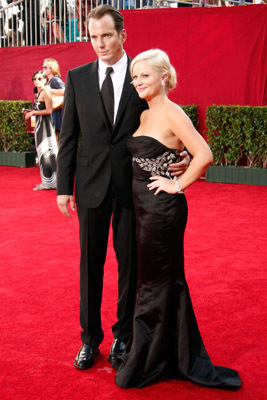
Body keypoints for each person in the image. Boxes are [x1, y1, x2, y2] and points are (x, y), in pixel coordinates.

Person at [56, 5, 190, 371]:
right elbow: (69, 138)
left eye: (107, 36)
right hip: (89, 187)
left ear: (122, 35)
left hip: (134, 188)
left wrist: (181, 157)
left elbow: (165, 121)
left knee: (130, 266)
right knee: (90, 265)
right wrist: (62, 188)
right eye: (93, 36)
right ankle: (89, 339)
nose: (99, 44)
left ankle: (123, 336)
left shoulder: (140, 76)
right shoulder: (77, 77)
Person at [112, 49, 242, 390]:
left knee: (154, 282)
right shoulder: (145, 114)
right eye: (134, 76)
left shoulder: (171, 112)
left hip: (161, 211)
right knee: (156, 280)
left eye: (144, 76)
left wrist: (177, 184)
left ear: (163, 77)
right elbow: (169, 152)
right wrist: (175, 162)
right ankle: (165, 353)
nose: (137, 81)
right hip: (144, 208)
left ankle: (149, 358)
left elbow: (205, 154)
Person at [24, 70, 58, 190]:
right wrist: (30, 112)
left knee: (48, 153)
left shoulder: (46, 91)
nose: (36, 81)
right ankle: (47, 182)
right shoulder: (38, 93)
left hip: (46, 127)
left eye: (39, 78)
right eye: (34, 79)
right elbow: (39, 110)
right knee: (42, 154)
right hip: (39, 126)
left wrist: (33, 112)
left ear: (45, 79)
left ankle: (53, 182)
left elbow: (49, 110)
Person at [42, 58, 65, 141]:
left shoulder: (55, 79)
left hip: (56, 111)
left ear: (52, 68)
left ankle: (57, 153)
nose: (43, 69)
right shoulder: (49, 81)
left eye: (45, 67)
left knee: (54, 136)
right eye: (43, 67)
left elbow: (65, 90)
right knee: (52, 137)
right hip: (53, 111)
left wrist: (49, 90)